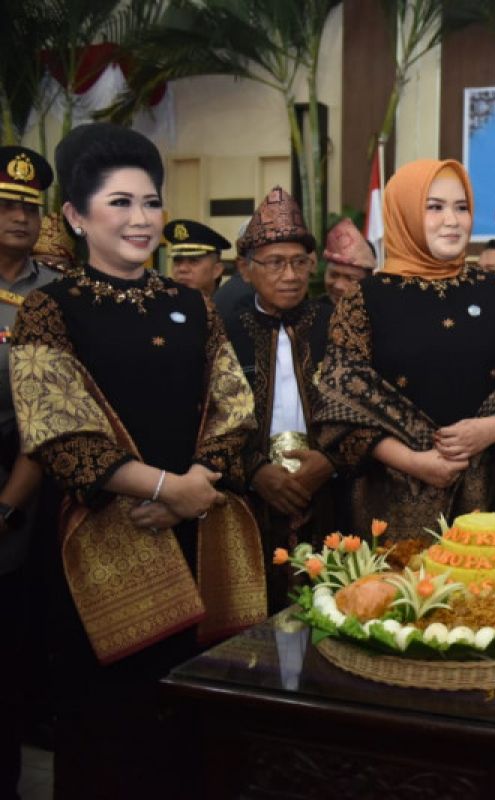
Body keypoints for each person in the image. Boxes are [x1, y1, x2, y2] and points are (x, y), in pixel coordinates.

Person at [11, 122, 263, 798]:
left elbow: (234, 406)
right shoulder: (49, 308)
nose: (140, 218)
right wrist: (160, 486)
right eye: (118, 202)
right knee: (109, 733)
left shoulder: (190, 305)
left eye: (150, 202)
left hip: (190, 530)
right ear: (74, 215)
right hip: (96, 545)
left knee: (190, 722)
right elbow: (56, 429)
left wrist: (195, 487)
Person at [314, 159, 495, 545]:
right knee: (397, 602)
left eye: (462, 207)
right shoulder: (363, 301)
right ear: (404, 212)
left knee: (487, 600)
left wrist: (492, 428)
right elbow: (340, 405)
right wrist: (416, 463)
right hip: (389, 505)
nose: (452, 221)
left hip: (488, 499)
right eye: (434, 207)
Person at [224, 187, 335, 612]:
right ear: (245, 269)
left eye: (299, 262)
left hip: (327, 492)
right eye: (274, 263)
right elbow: (210, 417)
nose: (289, 275)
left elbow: (359, 408)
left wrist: (330, 461)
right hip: (251, 497)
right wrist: (254, 471)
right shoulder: (225, 332)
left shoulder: (334, 326)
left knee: (326, 604)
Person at [0, 144, 57, 800]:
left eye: (30, 207)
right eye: (9, 204)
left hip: (32, 490)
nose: (20, 216)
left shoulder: (53, 292)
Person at [164, 218, 231, 296]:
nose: (182, 269)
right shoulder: (163, 305)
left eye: (193, 261)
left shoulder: (229, 306)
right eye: (177, 261)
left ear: (216, 270)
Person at [322, 217, 375, 305]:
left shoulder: (383, 315)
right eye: (333, 275)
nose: (339, 286)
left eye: (350, 278)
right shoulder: (312, 314)